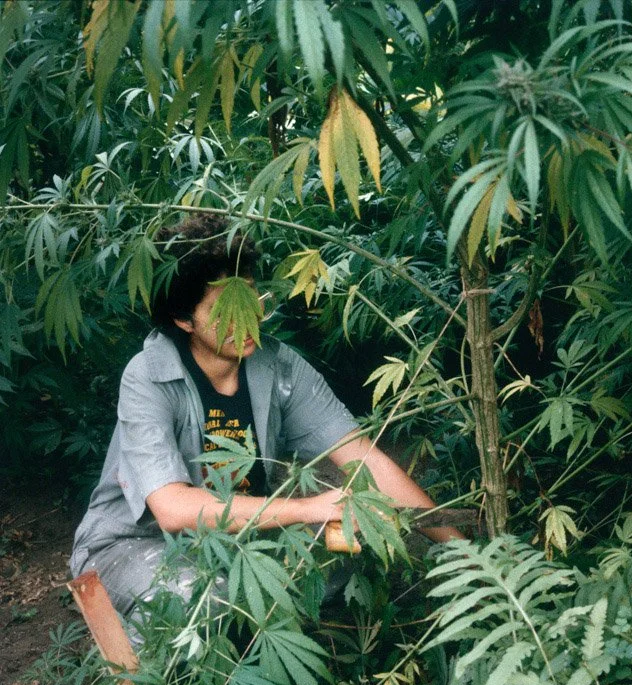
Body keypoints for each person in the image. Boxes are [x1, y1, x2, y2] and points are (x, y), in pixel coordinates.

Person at [70, 214, 462, 617]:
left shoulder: (279, 366)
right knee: (202, 600)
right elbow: (172, 508)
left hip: (239, 538)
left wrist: (462, 554)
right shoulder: (148, 376)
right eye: (224, 310)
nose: (248, 320)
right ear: (183, 319)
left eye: (252, 299)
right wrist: (308, 508)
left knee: (348, 554)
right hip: (135, 543)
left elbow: (365, 459)